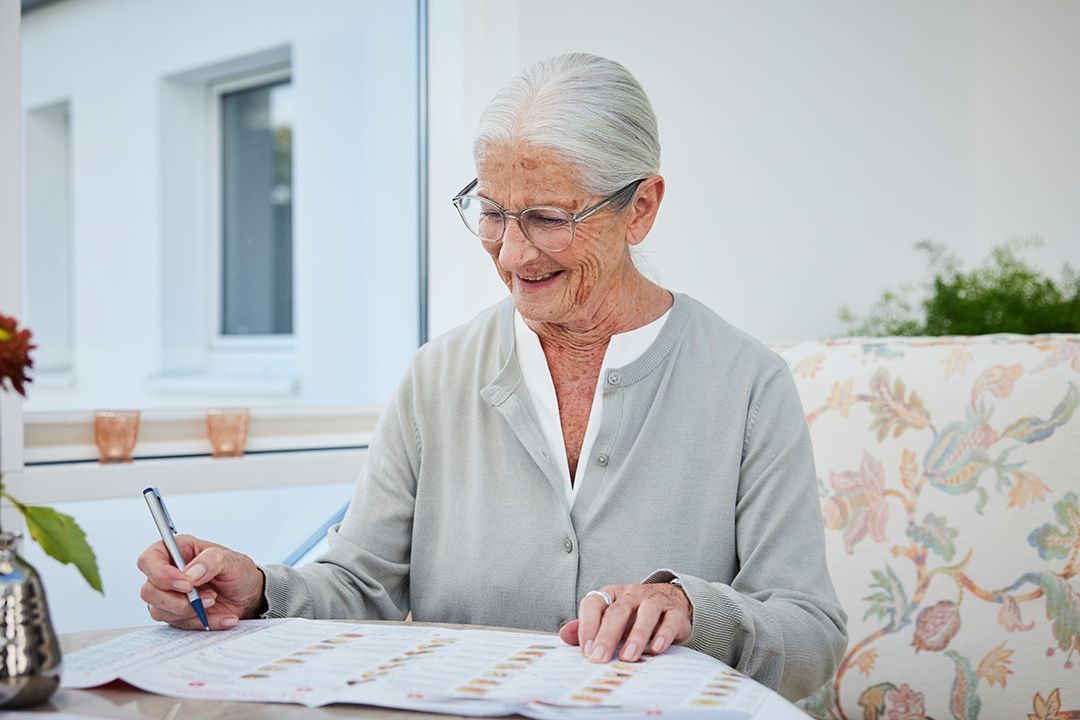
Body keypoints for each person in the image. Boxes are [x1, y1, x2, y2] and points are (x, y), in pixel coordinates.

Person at [137, 52, 847, 701]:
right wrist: (256, 591)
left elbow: (811, 637)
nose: (512, 254)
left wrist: (694, 609)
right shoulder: (436, 376)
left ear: (642, 207)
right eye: (492, 213)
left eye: (545, 218)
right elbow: (360, 586)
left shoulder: (749, 384)